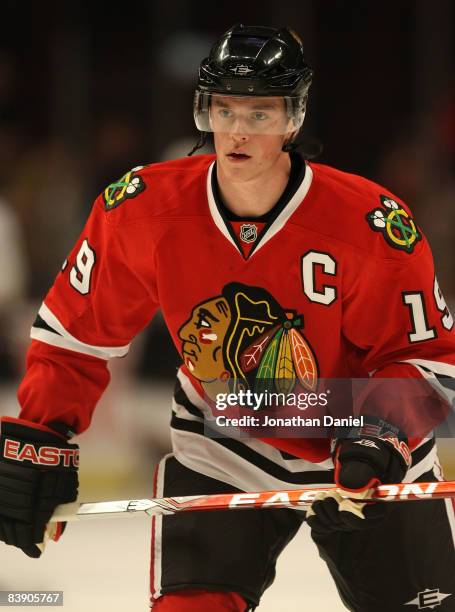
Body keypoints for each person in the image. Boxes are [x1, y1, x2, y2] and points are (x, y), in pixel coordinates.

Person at [1, 24, 454, 612]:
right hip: (228, 439)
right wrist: (43, 431)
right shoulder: (141, 209)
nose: (238, 130)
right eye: (224, 109)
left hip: (360, 448)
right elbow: (77, 330)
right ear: (203, 111)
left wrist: (377, 433)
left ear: (293, 119)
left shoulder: (371, 224)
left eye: (260, 114)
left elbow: (430, 359)